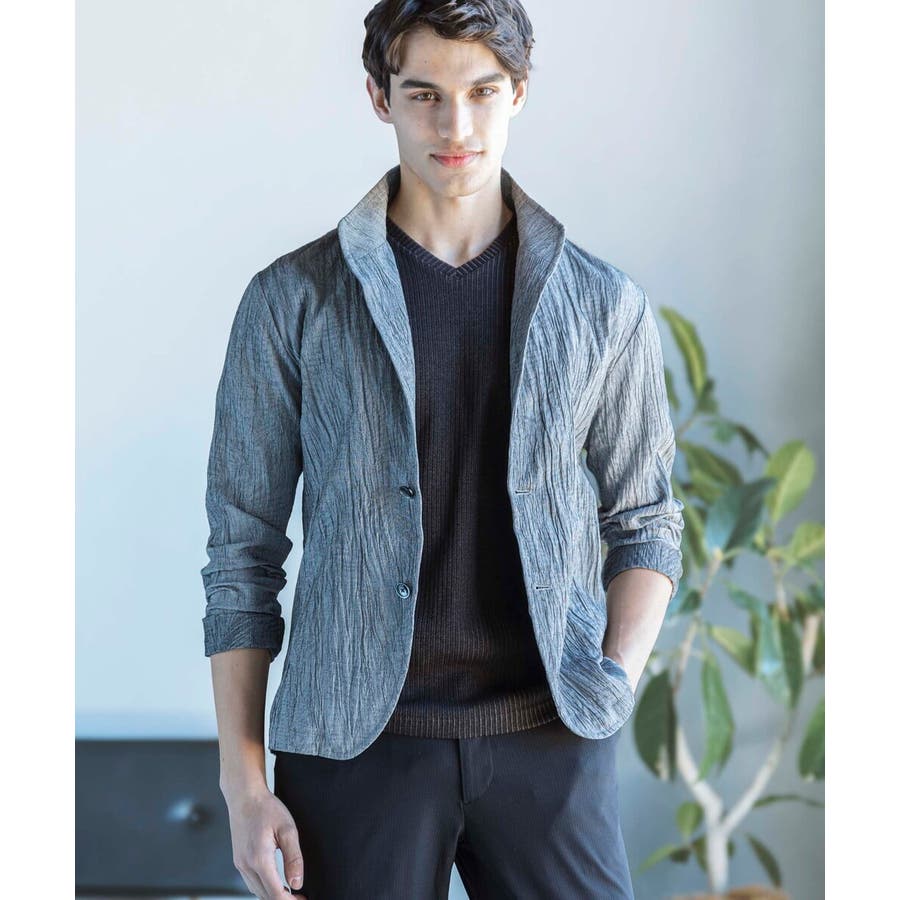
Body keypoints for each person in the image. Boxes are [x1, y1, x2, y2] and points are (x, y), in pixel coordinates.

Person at [200, 2, 684, 898]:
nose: (455, 126)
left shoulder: (604, 306)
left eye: (482, 92)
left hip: (547, 735)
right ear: (379, 97)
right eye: (424, 94)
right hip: (351, 750)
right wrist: (244, 783)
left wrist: (612, 681)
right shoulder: (291, 300)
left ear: (519, 92)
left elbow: (646, 520)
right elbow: (241, 555)